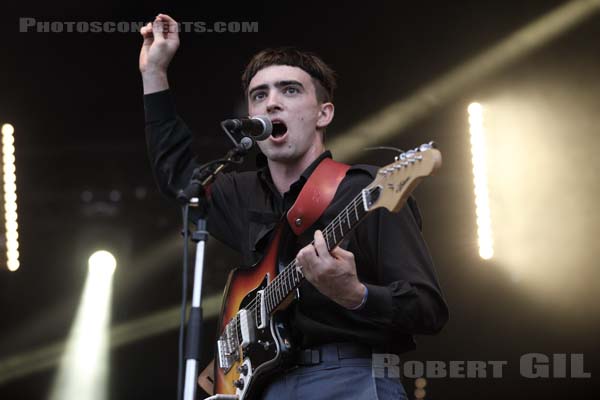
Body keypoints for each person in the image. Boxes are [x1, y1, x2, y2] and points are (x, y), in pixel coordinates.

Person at [140, 13, 448, 400]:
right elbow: (178, 178)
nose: (271, 104)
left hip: (348, 379)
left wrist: (355, 294)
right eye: (259, 95)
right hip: (264, 386)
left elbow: (428, 308)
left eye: (289, 91)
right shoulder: (241, 191)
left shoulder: (365, 188)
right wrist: (155, 73)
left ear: (324, 113)